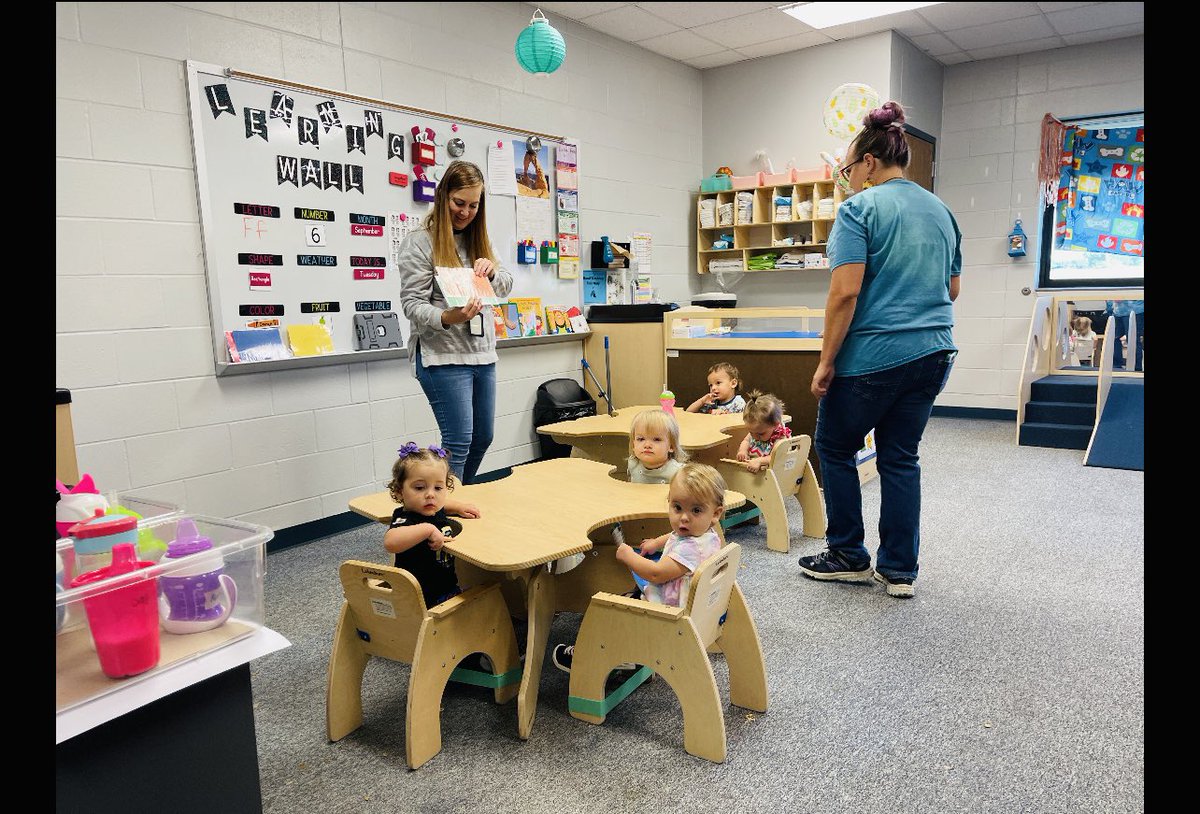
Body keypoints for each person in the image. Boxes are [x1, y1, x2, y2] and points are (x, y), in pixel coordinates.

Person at [801, 100, 962, 599]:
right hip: (933, 352)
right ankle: (899, 571)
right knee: (899, 457)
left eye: (847, 169)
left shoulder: (859, 209)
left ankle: (847, 553)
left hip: (873, 357)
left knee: (833, 447)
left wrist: (827, 363)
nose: (846, 179)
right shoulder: (940, 210)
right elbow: (952, 289)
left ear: (869, 163)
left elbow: (845, 292)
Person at [398, 160, 514, 484]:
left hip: (481, 354)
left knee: (482, 438)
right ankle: (442, 512)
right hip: (441, 356)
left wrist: (492, 271)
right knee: (459, 440)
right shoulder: (420, 242)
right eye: (458, 203)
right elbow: (411, 304)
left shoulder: (481, 241)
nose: (465, 212)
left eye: (473, 205)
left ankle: (456, 496)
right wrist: (448, 317)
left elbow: (504, 285)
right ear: (443, 197)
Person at [552, 463, 726, 672]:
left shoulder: (690, 549)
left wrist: (627, 556)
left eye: (696, 510)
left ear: (716, 513)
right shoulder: (706, 535)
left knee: (609, 611)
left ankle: (592, 658)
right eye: (677, 507)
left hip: (668, 614)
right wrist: (656, 543)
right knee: (626, 597)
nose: (684, 517)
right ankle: (625, 652)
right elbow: (675, 536)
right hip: (688, 607)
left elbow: (656, 573)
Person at [382, 442, 481, 609]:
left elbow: (444, 504)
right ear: (399, 491)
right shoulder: (406, 518)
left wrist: (459, 507)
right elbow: (391, 542)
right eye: (420, 488)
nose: (430, 495)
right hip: (420, 597)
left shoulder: (433, 508)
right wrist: (427, 530)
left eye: (438, 488)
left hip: (445, 587)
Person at [735, 391, 792, 473]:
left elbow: (776, 457)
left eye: (760, 434)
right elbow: (746, 441)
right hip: (754, 469)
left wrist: (760, 461)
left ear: (775, 424)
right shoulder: (756, 431)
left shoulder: (779, 437)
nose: (754, 437)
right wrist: (742, 451)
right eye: (751, 432)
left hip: (772, 473)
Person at [1105, 299, 1144, 371]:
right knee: (1113, 338)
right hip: (1117, 312)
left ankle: (1136, 367)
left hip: (1135, 310)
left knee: (1133, 339)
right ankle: (1116, 366)